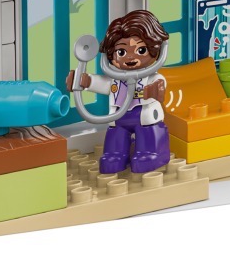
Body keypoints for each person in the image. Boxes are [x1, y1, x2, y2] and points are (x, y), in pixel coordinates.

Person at [66, 10, 170, 175]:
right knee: (115, 135)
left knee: (148, 132)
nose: (130, 58)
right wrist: (84, 81)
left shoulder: (152, 78)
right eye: (121, 52)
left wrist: (155, 90)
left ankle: (152, 153)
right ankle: (115, 155)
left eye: (141, 50)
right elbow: (103, 84)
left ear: (155, 49)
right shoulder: (116, 79)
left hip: (144, 118)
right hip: (118, 117)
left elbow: (160, 86)